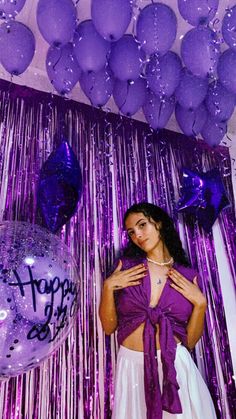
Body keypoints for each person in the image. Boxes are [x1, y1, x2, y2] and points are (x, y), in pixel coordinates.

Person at [99, 202, 217, 419]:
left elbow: (189, 342)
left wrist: (201, 304)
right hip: (132, 368)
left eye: (142, 225)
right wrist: (107, 287)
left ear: (159, 223)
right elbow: (108, 327)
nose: (138, 235)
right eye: (131, 232)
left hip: (175, 367)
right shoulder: (126, 267)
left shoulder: (188, 276)